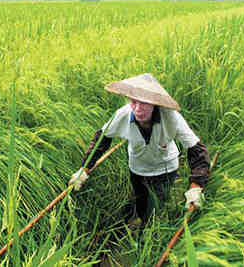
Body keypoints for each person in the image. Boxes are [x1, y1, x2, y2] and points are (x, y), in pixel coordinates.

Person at [69, 74, 210, 227]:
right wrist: (84, 168)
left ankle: (150, 226)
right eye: (134, 102)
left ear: (154, 103)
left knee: (157, 201)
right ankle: (140, 219)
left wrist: (196, 186)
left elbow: (196, 150)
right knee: (140, 196)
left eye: (144, 103)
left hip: (165, 167)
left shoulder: (171, 117)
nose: (137, 108)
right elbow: (101, 139)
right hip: (137, 167)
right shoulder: (122, 115)